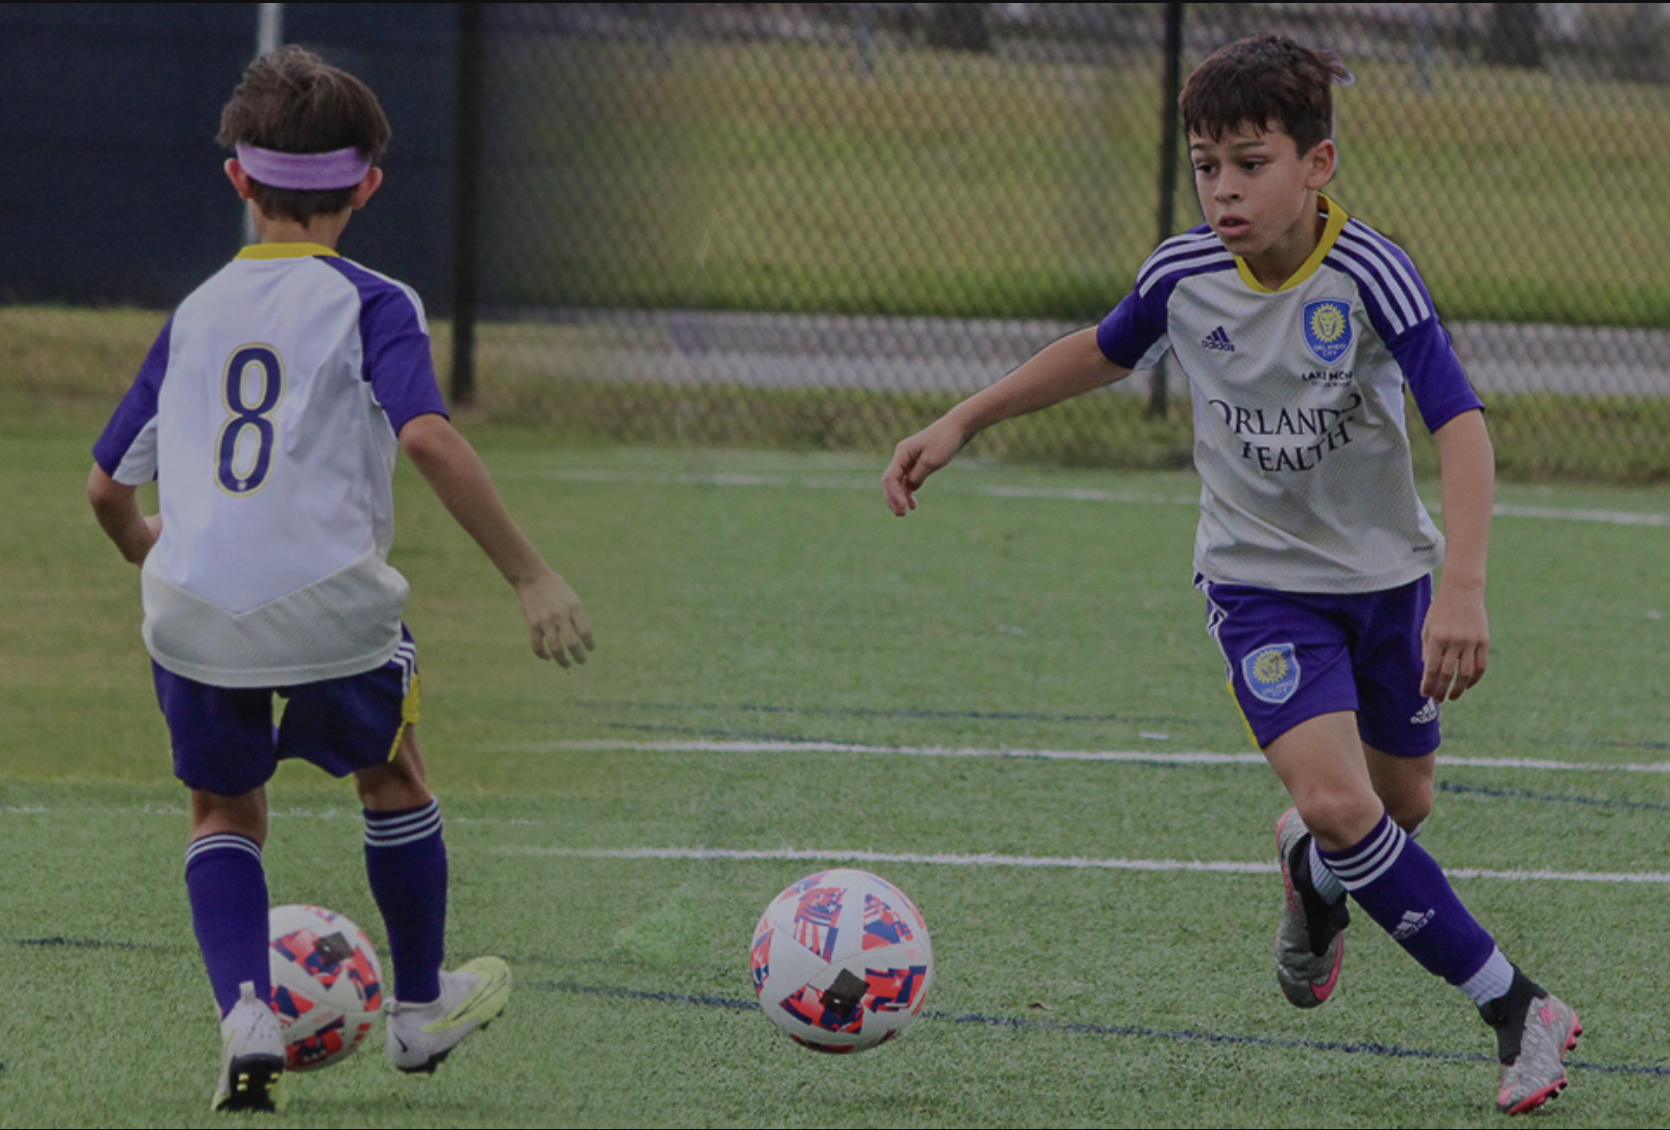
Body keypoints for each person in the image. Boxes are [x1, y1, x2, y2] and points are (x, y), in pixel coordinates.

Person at [882, 35, 1577, 1116]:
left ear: (1317, 164)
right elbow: (1102, 348)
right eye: (1205, 163)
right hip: (1254, 584)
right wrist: (962, 417)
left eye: (1248, 161)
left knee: (1397, 804)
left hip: (1385, 581)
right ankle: (1513, 1005)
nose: (1222, 188)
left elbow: (1459, 422)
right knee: (1342, 800)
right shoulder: (1182, 272)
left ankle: (1308, 867)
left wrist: (1463, 585)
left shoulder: (1370, 273)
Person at [87, 46, 595, 1112]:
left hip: (190, 612)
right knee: (394, 771)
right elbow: (428, 440)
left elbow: (104, 488)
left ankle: (245, 1014)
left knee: (222, 807)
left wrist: (154, 549)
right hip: (326, 609)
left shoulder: (192, 313)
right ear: (367, 185)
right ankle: (417, 1011)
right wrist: (530, 574)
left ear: (236, 179)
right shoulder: (376, 301)